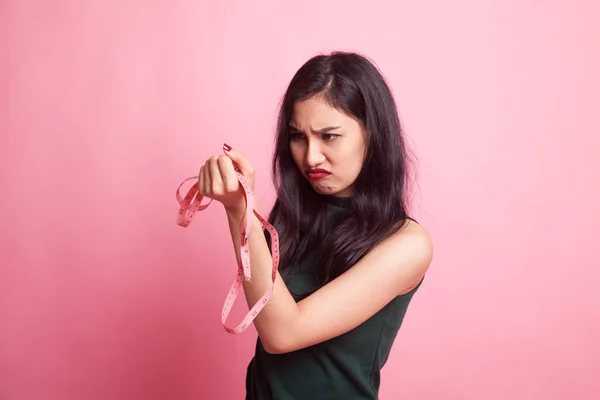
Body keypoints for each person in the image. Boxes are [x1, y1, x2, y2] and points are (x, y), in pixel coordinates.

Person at [197, 51, 433, 399]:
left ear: (373, 135)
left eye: (330, 136)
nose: (310, 157)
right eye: (298, 136)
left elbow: (281, 334)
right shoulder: (290, 218)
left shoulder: (406, 244)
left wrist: (239, 212)